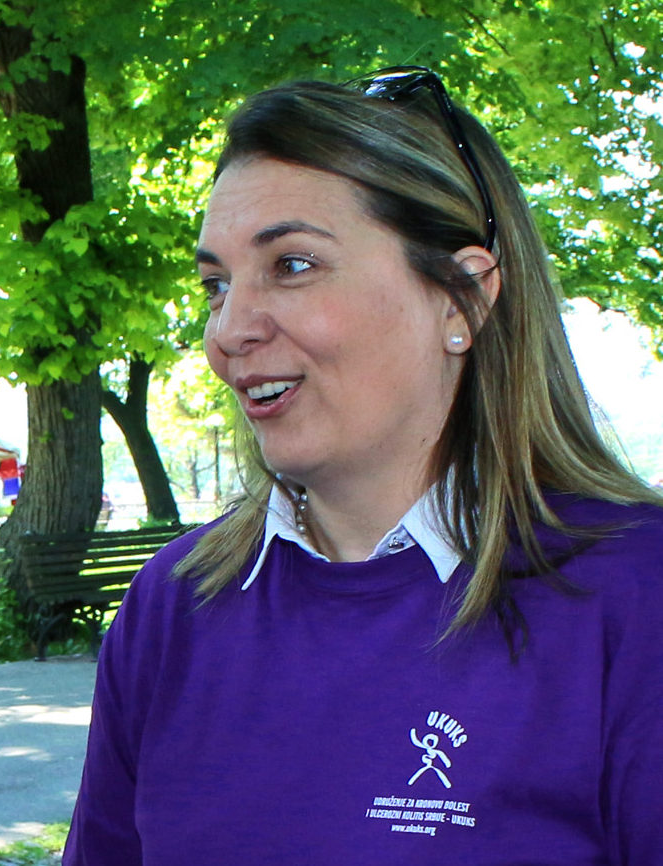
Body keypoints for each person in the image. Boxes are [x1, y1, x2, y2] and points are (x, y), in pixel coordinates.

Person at [63, 67, 663, 866]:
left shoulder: (632, 593)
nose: (228, 331)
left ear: (462, 299)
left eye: (293, 265)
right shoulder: (173, 607)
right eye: (216, 285)